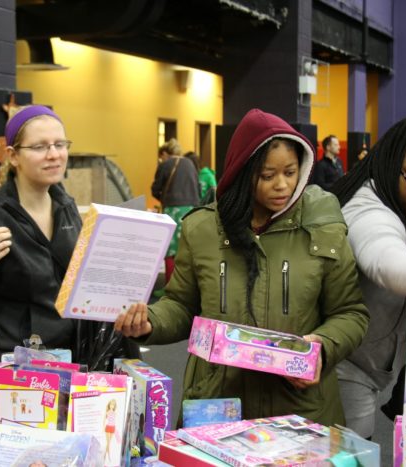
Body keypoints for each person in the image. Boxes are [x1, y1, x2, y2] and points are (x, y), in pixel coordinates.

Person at [117, 108, 369, 427]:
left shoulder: (322, 227)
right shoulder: (204, 229)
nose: (282, 185)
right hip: (216, 405)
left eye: (290, 173)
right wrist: (150, 321)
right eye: (267, 176)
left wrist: (321, 348)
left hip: (298, 411)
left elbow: (350, 312)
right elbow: (181, 304)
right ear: (241, 172)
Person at [0, 105, 135, 368]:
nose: (54, 155)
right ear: (13, 156)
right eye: (40, 147)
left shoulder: (67, 210)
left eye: (60, 144)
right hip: (17, 369)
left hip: (74, 362)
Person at [330, 114, 406, 439]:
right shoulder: (367, 206)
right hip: (345, 367)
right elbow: (381, 251)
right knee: (353, 458)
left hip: (369, 368)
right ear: (389, 164)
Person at [151, 139, 199, 283]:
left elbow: (155, 189)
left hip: (173, 210)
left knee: (171, 251)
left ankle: (170, 290)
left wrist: (162, 198)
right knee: (188, 250)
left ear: (165, 153)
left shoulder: (165, 165)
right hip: (192, 209)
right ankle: (188, 288)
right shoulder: (190, 163)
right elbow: (197, 187)